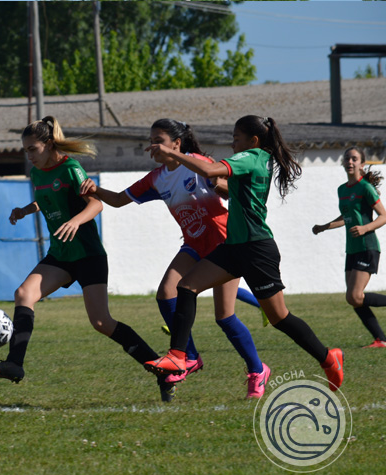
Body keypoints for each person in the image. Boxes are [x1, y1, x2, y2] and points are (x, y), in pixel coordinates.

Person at [143, 115, 344, 392]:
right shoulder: (251, 159)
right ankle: (179, 356)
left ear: (254, 140)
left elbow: (213, 170)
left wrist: (171, 153)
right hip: (234, 247)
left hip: (257, 249)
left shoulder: (254, 157)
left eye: (236, 137)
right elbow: (221, 184)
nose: (232, 142)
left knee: (279, 318)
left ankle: (327, 357)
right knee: (186, 287)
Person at [0, 116, 168, 399]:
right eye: (26, 150)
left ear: (49, 144)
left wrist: (76, 221)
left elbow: (96, 203)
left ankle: (162, 371)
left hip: (88, 255)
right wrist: (24, 210)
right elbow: (47, 199)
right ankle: (14, 364)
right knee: (24, 294)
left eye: (33, 149)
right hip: (61, 253)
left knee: (102, 322)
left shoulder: (70, 167)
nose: (29, 155)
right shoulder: (37, 174)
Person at [80, 119, 269, 398]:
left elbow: (234, 192)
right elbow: (120, 200)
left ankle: (257, 370)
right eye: (151, 139)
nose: (151, 146)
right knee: (166, 293)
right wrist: (93, 189)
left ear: (176, 144)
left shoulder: (197, 163)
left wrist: (220, 187)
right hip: (194, 245)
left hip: (225, 243)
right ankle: (188, 357)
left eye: (158, 140)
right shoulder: (156, 177)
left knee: (224, 317)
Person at [313, 146, 386, 347]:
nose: (350, 162)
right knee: (353, 299)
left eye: (354, 159)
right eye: (347, 159)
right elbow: (346, 217)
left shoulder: (366, 188)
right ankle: (381, 339)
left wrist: (365, 228)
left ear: (362, 164)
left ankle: (381, 339)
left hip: (367, 246)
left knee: (355, 296)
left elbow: (384, 216)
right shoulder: (342, 189)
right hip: (352, 249)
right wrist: (325, 226)